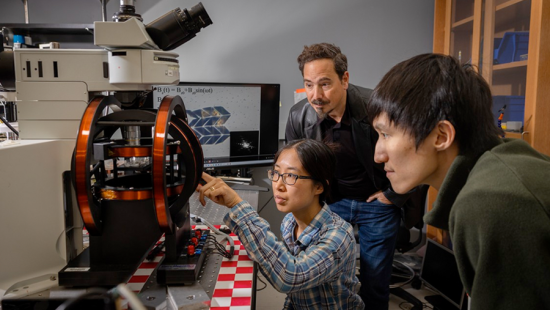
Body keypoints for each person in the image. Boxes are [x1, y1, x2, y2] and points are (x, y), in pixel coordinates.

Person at [367, 53, 550, 310]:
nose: (378, 155)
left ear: (441, 136)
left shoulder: (492, 201)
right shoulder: (497, 166)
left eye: (386, 134)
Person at [285, 42, 412, 309]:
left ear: (345, 79)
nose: (315, 95)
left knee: (374, 280)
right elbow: (293, 166)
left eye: (324, 83)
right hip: (331, 203)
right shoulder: (299, 116)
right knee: (322, 277)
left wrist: (393, 195)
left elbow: (412, 154)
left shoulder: (377, 107)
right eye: (308, 84)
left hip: (376, 203)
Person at [198, 139, 365, 310]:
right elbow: (294, 293)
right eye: (276, 173)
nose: (279, 185)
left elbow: (290, 277)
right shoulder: (289, 223)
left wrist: (236, 204)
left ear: (319, 187)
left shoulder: (338, 236)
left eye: (291, 176)